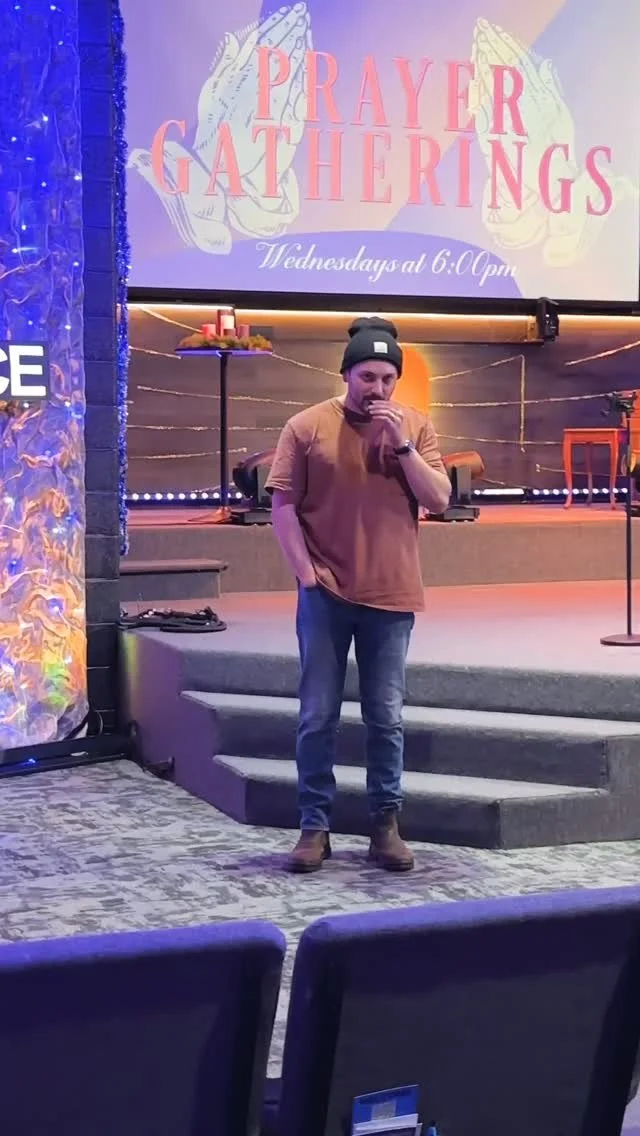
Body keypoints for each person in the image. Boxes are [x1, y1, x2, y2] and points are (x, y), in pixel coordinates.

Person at [266, 317, 451, 873]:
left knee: (385, 717)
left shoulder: (415, 428)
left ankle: (385, 826)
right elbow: (282, 505)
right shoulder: (306, 426)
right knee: (317, 715)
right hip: (325, 593)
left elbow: (439, 500)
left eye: (388, 378)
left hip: (392, 593)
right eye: (367, 376)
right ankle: (313, 827)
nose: (377, 388)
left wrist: (403, 448)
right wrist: (305, 574)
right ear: (346, 374)